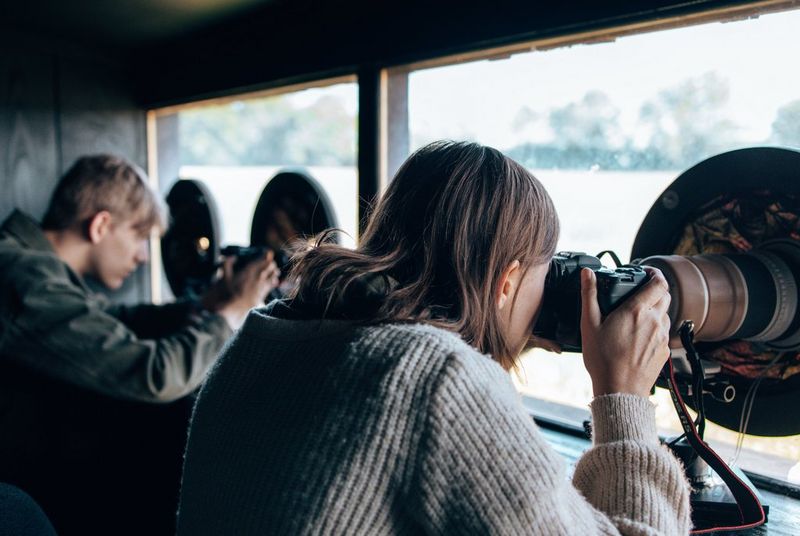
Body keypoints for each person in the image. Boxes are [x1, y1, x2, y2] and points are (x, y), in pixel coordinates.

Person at [177, 141, 692, 535]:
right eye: (540, 278)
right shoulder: (435, 377)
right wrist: (622, 395)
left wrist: (502, 333)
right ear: (506, 283)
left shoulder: (267, 333)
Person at [0, 155, 279, 535]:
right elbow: (154, 376)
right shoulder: (23, 277)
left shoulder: (28, 263)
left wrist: (204, 306)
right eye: (138, 235)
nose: (144, 256)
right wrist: (230, 313)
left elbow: (107, 320)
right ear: (100, 225)